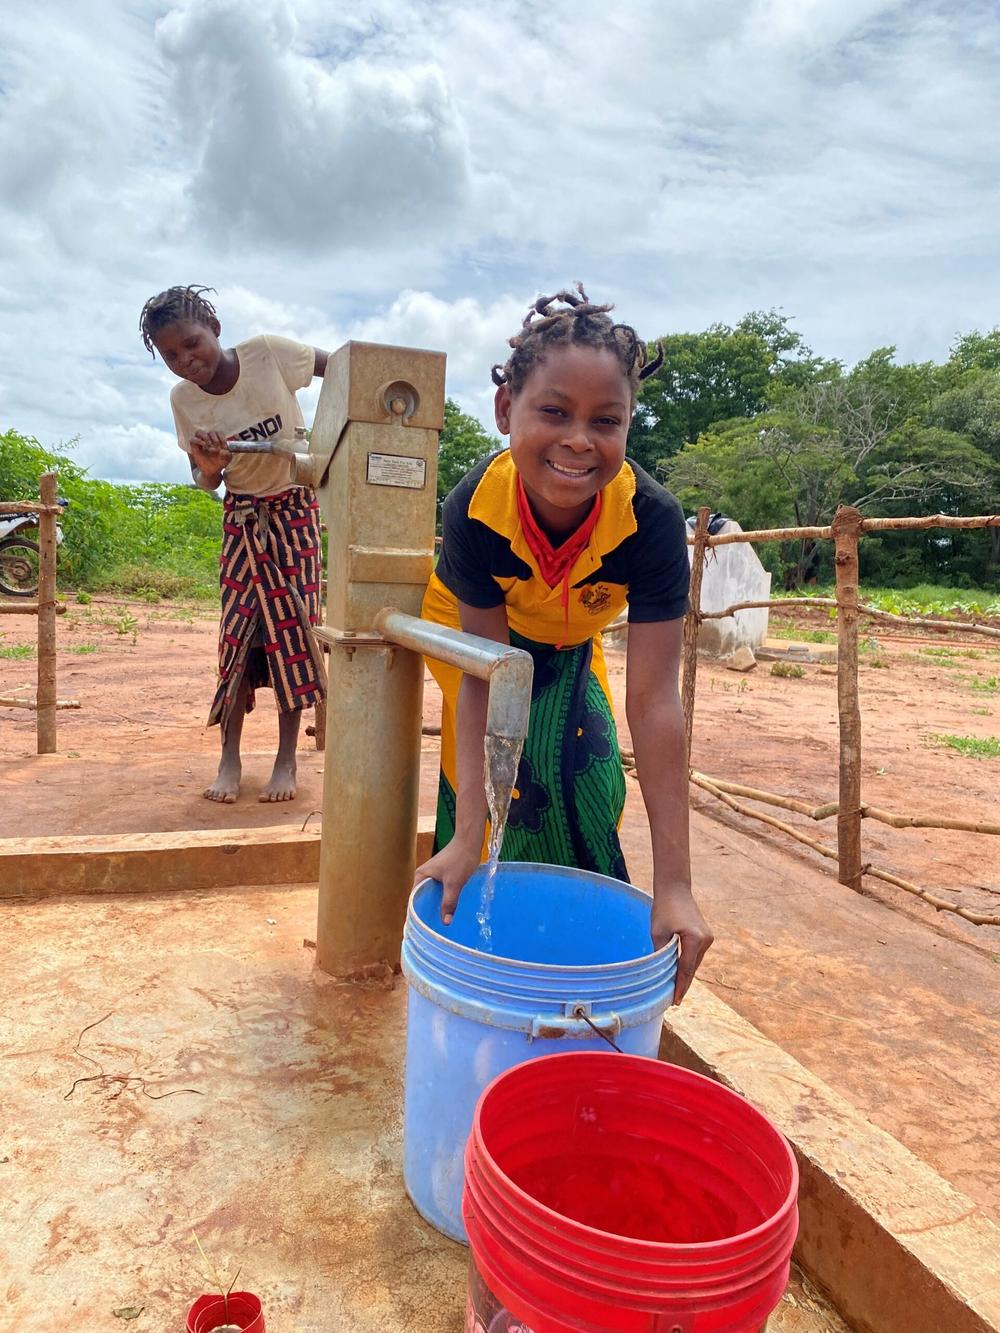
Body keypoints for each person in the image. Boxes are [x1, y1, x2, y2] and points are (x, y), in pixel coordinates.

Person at [416, 286, 712, 1003]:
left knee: (587, 774)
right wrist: (467, 835)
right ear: (505, 410)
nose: (579, 440)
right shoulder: (476, 510)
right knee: (503, 782)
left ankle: (580, 966)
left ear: (629, 425)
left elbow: (654, 699)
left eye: (605, 420)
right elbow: (488, 676)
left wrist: (674, 883)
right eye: (554, 412)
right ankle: (473, 910)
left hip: (573, 636)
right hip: (483, 637)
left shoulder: (648, 523)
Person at [140, 284, 329, 804]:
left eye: (192, 344)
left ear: (215, 330)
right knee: (239, 637)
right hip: (242, 517)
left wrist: (334, 442)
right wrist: (211, 469)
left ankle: (286, 760)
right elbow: (204, 481)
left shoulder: (269, 354)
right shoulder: (184, 401)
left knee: (293, 632)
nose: (185, 361)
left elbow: (343, 371)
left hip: (295, 511)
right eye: (170, 355)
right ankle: (230, 758)